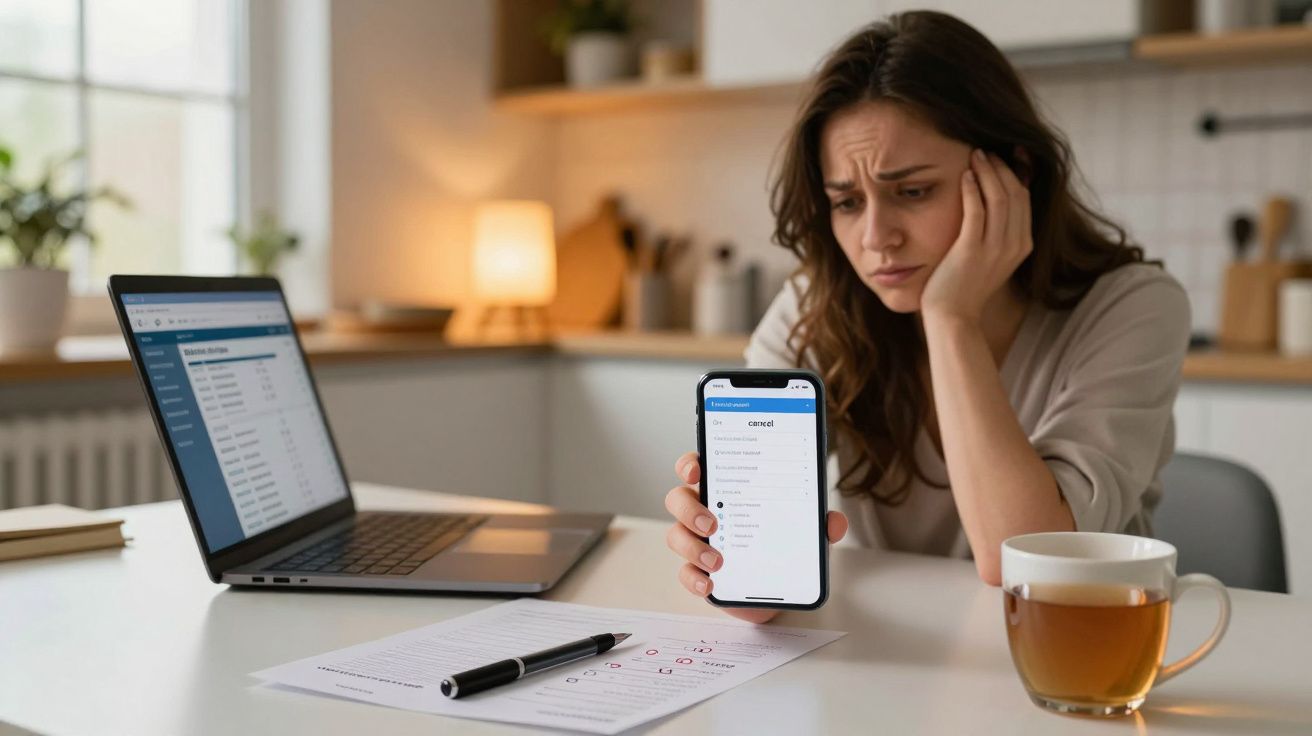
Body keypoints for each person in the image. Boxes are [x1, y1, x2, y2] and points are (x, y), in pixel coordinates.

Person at [663, 11, 1190, 624]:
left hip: (1070, 654)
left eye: (913, 192)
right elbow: (758, 594)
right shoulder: (816, 305)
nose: (876, 238)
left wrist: (950, 317)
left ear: (1012, 176)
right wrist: (732, 566)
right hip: (886, 655)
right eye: (847, 202)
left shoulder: (1133, 307)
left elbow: (1027, 562)